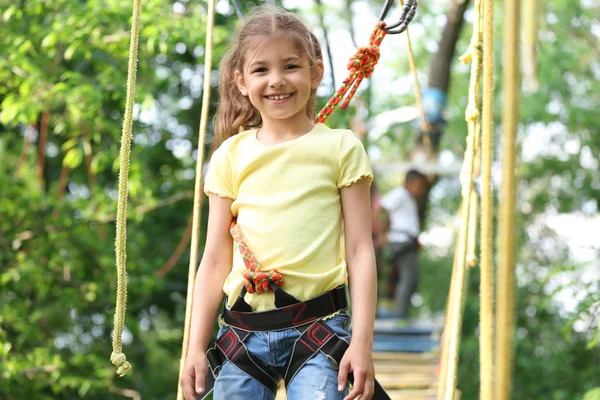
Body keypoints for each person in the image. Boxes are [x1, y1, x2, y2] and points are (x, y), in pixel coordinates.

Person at [180, 6, 378, 400]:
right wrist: (194, 348)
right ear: (240, 81)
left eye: (290, 66)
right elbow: (216, 257)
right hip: (242, 333)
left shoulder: (340, 148)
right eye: (260, 70)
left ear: (315, 73)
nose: (276, 81)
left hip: (319, 330)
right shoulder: (230, 156)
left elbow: (359, 250)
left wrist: (362, 344)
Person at [379, 169, 429, 319]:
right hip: (401, 241)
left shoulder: (408, 198)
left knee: (409, 278)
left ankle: (401, 312)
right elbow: (381, 209)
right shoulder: (400, 194)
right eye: (420, 185)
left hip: (408, 241)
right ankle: (400, 315)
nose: (422, 190)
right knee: (408, 278)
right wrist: (382, 233)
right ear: (410, 183)